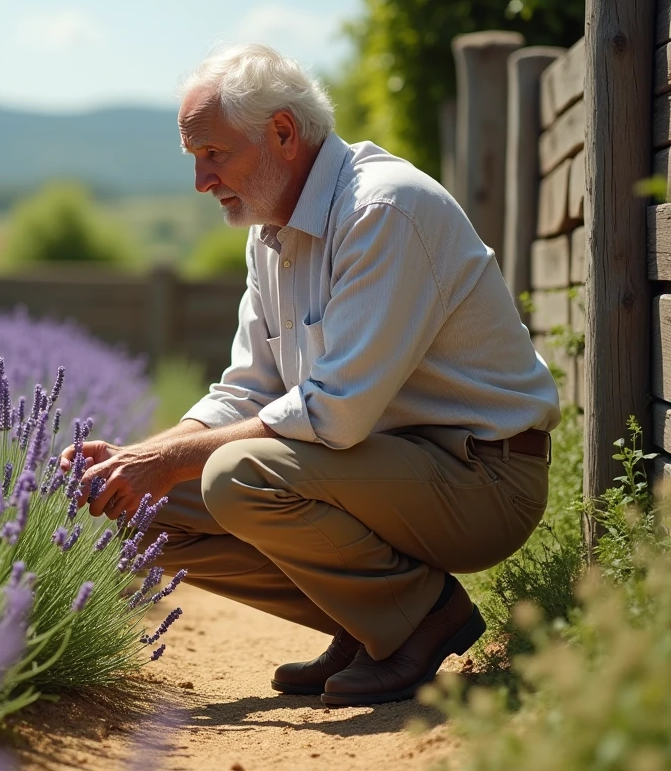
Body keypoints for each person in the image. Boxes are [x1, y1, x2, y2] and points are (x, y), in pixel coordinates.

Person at [60, 44, 560, 707]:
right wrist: (138, 461)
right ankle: (368, 619)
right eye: (195, 160)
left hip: (482, 482)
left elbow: (334, 412)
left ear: (284, 134)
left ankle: (419, 618)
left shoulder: (382, 210)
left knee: (236, 476)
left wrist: (169, 458)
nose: (201, 181)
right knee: (147, 508)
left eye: (214, 154)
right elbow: (246, 387)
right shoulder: (271, 232)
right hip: (382, 473)